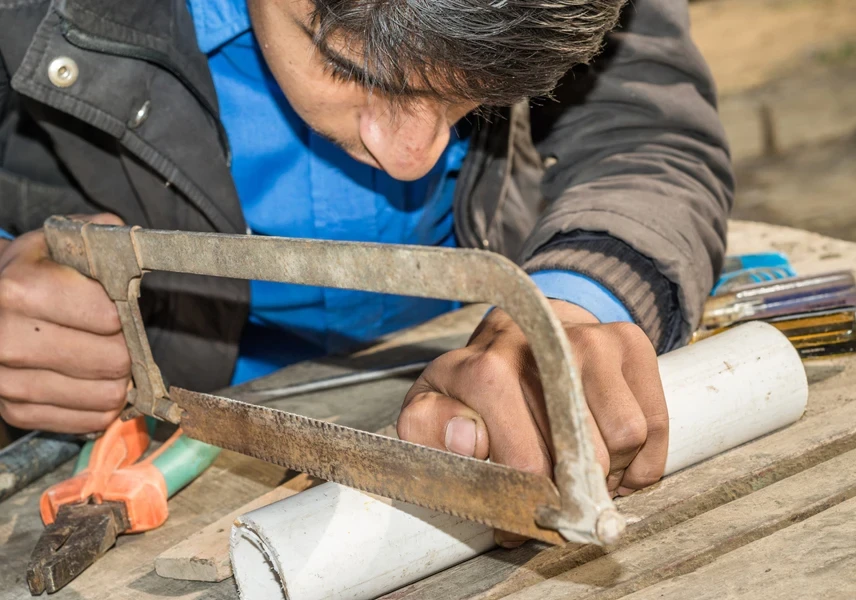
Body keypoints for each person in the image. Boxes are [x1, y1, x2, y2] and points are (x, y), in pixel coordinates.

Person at [0, 0, 732, 544]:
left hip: (446, 373)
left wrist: (570, 307)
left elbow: (647, 132)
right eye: (351, 68)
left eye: (467, 94)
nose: (410, 153)